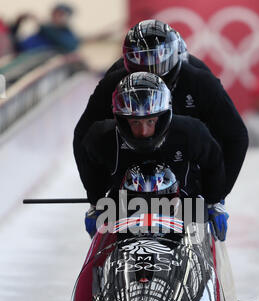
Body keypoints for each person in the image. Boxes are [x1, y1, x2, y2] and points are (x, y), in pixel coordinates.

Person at [73, 19, 248, 242]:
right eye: (141, 66)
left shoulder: (199, 82)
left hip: (186, 164)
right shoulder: (114, 83)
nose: (150, 74)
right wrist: (97, 198)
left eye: (156, 65)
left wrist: (216, 195)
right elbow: (86, 137)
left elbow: (234, 136)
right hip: (130, 168)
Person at [75, 71, 227, 240]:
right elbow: (90, 164)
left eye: (150, 121)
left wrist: (214, 201)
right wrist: (96, 202)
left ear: (162, 117)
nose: (144, 132)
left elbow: (214, 162)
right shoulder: (102, 138)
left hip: (185, 208)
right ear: (123, 120)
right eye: (135, 123)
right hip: (124, 209)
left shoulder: (191, 132)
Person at [10, 4, 80, 54]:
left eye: (60, 15)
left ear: (67, 18)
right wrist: (18, 23)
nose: (56, 17)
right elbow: (18, 46)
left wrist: (42, 25)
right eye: (54, 14)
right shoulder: (43, 33)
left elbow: (69, 46)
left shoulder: (67, 35)